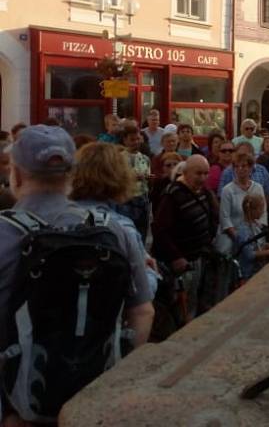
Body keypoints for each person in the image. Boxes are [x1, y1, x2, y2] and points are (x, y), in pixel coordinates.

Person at [0, 126, 154, 423]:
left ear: (16, 174)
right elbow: (143, 311)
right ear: (71, 174)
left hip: (18, 404)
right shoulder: (113, 229)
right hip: (92, 401)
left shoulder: (5, 233)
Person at [70, 142, 159, 300]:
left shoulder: (57, 218)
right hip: (107, 318)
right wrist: (151, 273)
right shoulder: (121, 227)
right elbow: (141, 294)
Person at [151, 154, 217, 320]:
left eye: (206, 173)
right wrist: (176, 257)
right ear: (186, 172)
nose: (203, 178)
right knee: (180, 304)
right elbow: (159, 230)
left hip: (197, 257)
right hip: (181, 262)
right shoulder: (172, 194)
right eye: (198, 173)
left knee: (192, 299)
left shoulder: (203, 191)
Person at [220, 152, 267, 246]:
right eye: (236, 166)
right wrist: (240, 239)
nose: (240, 169)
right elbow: (225, 219)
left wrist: (259, 233)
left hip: (256, 235)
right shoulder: (227, 190)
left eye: (244, 166)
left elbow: (263, 213)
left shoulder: (258, 188)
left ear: (250, 167)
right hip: (234, 237)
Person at [116, 123, 152, 240]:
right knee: (128, 233)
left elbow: (146, 176)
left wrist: (149, 178)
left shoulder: (145, 158)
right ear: (125, 140)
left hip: (143, 198)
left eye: (138, 139)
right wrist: (132, 177)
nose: (136, 142)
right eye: (132, 139)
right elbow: (116, 178)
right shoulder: (119, 158)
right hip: (127, 199)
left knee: (142, 233)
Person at [236, 193, 269, 280]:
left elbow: (260, 243)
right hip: (249, 273)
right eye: (261, 208)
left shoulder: (256, 225)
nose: (263, 211)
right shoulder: (243, 231)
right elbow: (249, 254)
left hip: (260, 268)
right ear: (252, 210)